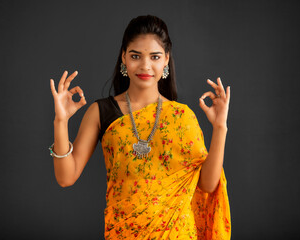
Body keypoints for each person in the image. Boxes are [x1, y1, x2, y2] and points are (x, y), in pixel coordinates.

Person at [49, 15, 231, 240]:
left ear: (165, 59)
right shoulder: (102, 111)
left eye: (154, 57)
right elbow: (65, 177)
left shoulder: (182, 117)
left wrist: (220, 127)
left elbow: (207, 184)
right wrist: (61, 121)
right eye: (136, 56)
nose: (145, 66)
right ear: (124, 57)